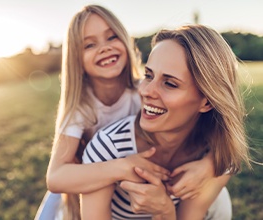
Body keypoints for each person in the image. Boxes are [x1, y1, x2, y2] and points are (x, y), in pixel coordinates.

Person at [36, 5, 216, 220]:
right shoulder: (80, 109)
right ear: (77, 59)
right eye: (90, 44)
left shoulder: (146, 90)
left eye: (111, 37)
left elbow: (217, 134)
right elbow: (55, 178)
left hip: (143, 184)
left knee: (216, 196)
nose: (104, 48)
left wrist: (208, 165)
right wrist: (122, 167)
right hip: (91, 185)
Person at [81, 24, 252, 220]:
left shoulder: (215, 153)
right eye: (148, 76)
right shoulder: (107, 148)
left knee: (220, 199)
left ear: (207, 102)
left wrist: (164, 212)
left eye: (170, 84)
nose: (146, 91)